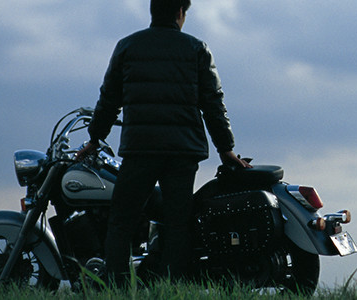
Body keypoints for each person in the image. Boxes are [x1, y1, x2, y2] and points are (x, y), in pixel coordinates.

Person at [76, 0, 251, 284]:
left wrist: (95, 138)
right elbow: (213, 103)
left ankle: (118, 287)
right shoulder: (197, 49)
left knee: (121, 221)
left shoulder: (127, 47)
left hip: (139, 149)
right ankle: (171, 286)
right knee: (177, 224)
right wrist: (226, 149)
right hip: (182, 152)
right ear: (180, 12)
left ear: (153, 11)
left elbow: (109, 99)